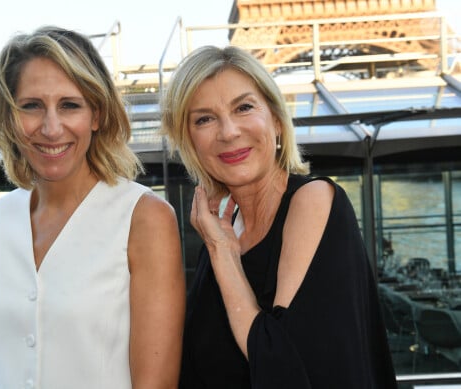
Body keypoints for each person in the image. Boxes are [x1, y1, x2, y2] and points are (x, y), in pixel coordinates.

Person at [160, 45, 397, 388]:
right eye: (204, 119)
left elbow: (283, 366)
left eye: (243, 107)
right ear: (189, 142)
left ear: (276, 120)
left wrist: (222, 252)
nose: (227, 132)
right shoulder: (222, 233)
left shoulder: (313, 201)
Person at [0, 26, 185, 389]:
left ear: (97, 115)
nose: (51, 127)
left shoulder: (144, 217)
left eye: (69, 105)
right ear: (10, 118)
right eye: (31, 106)